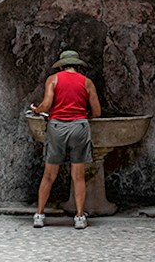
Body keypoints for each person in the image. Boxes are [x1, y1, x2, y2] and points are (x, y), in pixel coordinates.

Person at [27, 49, 102, 229]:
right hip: (79, 127)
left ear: (60, 65)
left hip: (57, 128)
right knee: (78, 176)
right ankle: (79, 218)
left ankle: (39, 214)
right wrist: (82, 119)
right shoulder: (87, 82)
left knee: (49, 175)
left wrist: (36, 109)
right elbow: (97, 112)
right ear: (77, 66)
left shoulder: (53, 79)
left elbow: (46, 104)